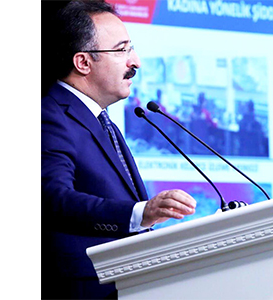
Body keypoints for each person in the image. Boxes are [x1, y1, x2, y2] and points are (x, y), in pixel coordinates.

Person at [42, 1, 197, 298]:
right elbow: (51, 198)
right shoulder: (49, 115)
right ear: (83, 63)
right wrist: (141, 212)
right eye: (122, 50)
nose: (135, 61)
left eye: (132, 48)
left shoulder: (101, 119)